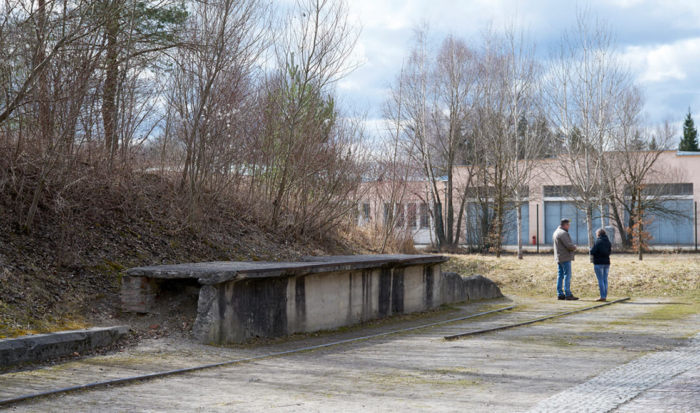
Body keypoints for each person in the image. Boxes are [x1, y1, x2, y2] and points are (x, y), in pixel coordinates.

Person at [553, 219, 578, 300]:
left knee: (560, 275)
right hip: (565, 257)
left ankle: (560, 293)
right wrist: (574, 247)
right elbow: (568, 245)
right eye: (568, 225)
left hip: (559, 257)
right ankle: (568, 294)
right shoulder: (563, 233)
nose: (569, 227)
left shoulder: (556, 231)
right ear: (565, 225)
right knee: (567, 275)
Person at [589, 228, 612, 302]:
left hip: (599, 263)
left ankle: (602, 296)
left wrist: (590, 249)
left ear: (598, 234)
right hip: (606, 262)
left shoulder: (598, 242)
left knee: (600, 280)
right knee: (605, 279)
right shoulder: (608, 242)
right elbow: (609, 252)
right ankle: (604, 295)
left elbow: (593, 252)